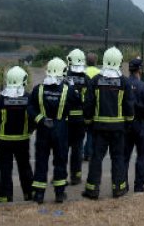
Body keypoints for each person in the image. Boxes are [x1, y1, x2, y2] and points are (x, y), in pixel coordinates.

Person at [82, 47, 135, 200]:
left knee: (96, 158)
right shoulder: (124, 82)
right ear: (119, 62)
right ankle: (118, 189)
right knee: (117, 157)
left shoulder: (95, 80)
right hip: (118, 129)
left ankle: (92, 190)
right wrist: (129, 122)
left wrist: (88, 122)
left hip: (99, 128)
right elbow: (129, 105)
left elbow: (88, 104)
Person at [29, 57, 78, 203]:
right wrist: (73, 87)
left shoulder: (38, 89)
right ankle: (59, 193)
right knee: (60, 161)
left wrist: (40, 119)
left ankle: (38, 194)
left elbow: (30, 108)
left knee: (41, 161)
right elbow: (78, 103)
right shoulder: (67, 90)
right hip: (60, 128)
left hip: (43, 127)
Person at [0, 66, 34, 203]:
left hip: (3, 142)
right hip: (23, 140)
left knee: (5, 170)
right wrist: (29, 131)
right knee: (25, 168)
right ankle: (29, 194)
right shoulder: (28, 98)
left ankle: (5, 197)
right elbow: (33, 119)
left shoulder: (0, 100)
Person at [124, 57, 144, 193]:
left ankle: (122, 185)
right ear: (139, 70)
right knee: (142, 156)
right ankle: (139, 186)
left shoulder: (123, 84)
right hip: (141, 124)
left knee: (124, 157)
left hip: (126, 124)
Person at [65, 49, 91, 185]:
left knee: (62, 149)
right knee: (77, 149)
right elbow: (90, 100)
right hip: (80, 122)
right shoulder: (86, 79)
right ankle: (76, 176)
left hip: (65, 121)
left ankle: (60, 176)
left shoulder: (64, 78)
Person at [83, 52, 100, 161]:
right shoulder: (99, 73)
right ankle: (88, 152)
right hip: (93, 105)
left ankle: (81, 152)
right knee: (91, 132)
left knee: (80, 134)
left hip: (81, 105)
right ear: (96, 61)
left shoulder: (82, 72)